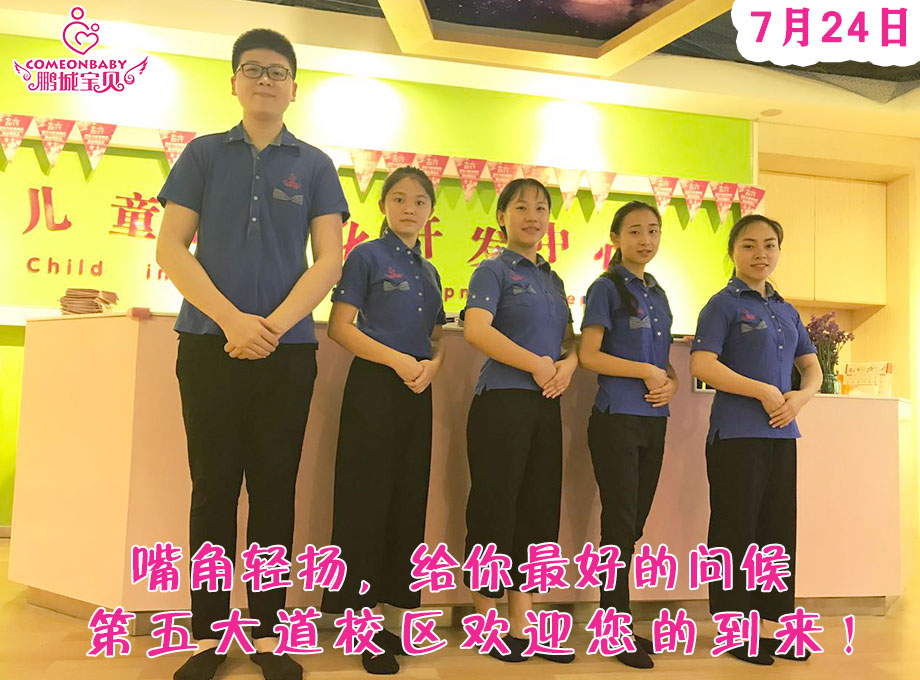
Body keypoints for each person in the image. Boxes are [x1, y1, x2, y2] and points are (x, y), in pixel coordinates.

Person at [156, 28, 348, 680]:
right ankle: (210, 637)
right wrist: (232, 321)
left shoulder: (315, 166)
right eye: (252, 69)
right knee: (212, 491)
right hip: (207, 345)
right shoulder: (203, 155)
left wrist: (271, 327)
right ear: (234, 82)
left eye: (277, 71)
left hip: (287, 354)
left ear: (294, 88)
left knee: (273, 491)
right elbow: (171, 247)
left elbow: (329, 261)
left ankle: (267, 635)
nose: (265, 79)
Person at [320, 166, 447, 675]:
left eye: (419, 201)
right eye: (398, 198)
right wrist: (398, 361)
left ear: (430, 211)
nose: (409, 208)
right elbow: (340, 327)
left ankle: (393, 619)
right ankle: (360, 625)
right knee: (364, 503)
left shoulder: (430, 271)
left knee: (407, 500)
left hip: (417, 390)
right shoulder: (366, 256)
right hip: (374, 386)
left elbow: (437, 336)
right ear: (384, 206)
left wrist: (432, 366)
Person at [689, 215, 821, 666]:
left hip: (782, 433)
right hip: (735, 435)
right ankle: (733, 630)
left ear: (779, 250)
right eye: (748, 245)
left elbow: (811, 366)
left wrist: (801, 397)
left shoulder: (786, 310)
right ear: (732, 252)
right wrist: (762, 390)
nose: (760, 253)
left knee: (777, 533)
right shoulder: (722, 305)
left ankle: (773, 627)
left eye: (769, 245)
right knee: (735, 532)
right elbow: (702, 365)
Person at [461, 178, 578, 664]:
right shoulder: (492, 270)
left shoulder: (553, 280)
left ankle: (523, 622)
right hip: (502, 402)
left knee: (537, 510)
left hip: (545, 404)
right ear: (502, 217)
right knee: (496, 508)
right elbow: (476, 330)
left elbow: (569, 343)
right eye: (522, 207)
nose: (533, 216)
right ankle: (484, 621)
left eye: (541, 208)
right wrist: (536, 364)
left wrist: (568, 368)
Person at [578, 200, 677, 669]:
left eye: (653, 230)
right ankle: (613, 626)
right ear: (616, 239)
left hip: (654, 419)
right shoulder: (606, 287)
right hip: (615, 416)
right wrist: (644, 371)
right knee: (618, 524)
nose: (645, 239)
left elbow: (664, 361)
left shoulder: (658, 292)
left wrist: (671, 381)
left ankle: (616, 618)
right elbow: (589, 355)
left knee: (633, 525)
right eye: (635, 231)